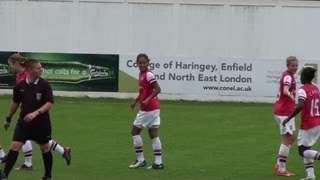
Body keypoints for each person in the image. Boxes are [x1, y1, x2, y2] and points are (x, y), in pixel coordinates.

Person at [6, 53, 71, 170]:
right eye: (39, 68)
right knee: (20, 142)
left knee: (43, 144)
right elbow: (17, 99)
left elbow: (48, 101)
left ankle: (32, 165)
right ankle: (21, 167)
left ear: (16, 63)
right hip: (26, 116)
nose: (10, 67)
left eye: (11, 64)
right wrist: (9, 117)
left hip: (39, 119)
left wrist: (35, 112)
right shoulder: (19, 77)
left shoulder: (35, 79)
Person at [283, 67, 320, 180]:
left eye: (301, 76)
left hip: (308, 124)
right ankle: (310, 175)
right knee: (307, 148)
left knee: (302, 151)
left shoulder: (302, 90)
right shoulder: (316, 88)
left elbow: (300, 105)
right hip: (318, 122)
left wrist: (289, 118)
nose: (300, 77)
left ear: (304, 77)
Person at [128, 53, 164, 170]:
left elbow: (158, 89)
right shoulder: (141, 74)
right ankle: (158, 163)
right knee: (153, 134)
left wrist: (148, 99)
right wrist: (135, 101)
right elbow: (143, 92)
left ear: (148, 62)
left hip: (149, 108)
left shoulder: (148, 74)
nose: (142, 64)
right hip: (154, 108)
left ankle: (140, 160)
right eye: (140, 62)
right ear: (137, 63)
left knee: (134, 131)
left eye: (144, 62)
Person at [273, 56, 298, 176]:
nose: (295, 67)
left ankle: (279, 163)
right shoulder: (288, 76)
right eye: (292, 65)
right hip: (284, 113)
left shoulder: (289, 75)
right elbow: (285, 90)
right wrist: (290, 95)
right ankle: (281, 169)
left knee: (292, 138)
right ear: (287, 65)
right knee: (287, 139)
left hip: (286, 112)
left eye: (296, 65)